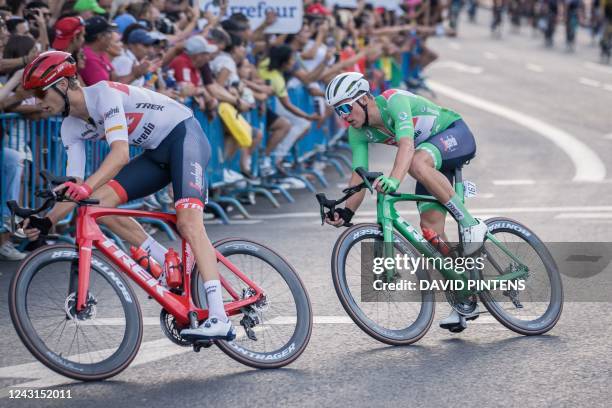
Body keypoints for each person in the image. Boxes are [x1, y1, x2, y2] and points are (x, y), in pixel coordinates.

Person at [21, 50, 235, 341]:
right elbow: (76, 187)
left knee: (188, 224)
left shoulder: (104, 95)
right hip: (155, 154)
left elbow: (120, 155)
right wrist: (46, 221)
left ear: (63, 85)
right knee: (95, 205)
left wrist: (84, 187)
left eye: (40, 93)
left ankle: (220, 316)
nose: (36, 102)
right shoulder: (70, 127)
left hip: (184, 138)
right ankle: (163, 261)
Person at [323, 72, 487, 331]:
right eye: (337, 111)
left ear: (364, 99)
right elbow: (359, 175)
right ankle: (464, 297)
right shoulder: (358, 132)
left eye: (345, 107)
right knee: (432, 232)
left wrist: (394, 181)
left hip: (453, 135)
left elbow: (407, 146)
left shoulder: (394, 101)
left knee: (416, 162)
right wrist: (345, 213)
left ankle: (470, 223)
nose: (343, 116)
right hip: (428, 159)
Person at [80, 15, 116, 85]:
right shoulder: (89, 58)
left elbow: (115, 79)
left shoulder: (100, 53)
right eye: (109, 32)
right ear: (100, 37)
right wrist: (134, 74)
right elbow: (104, 92)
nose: (112, 36)